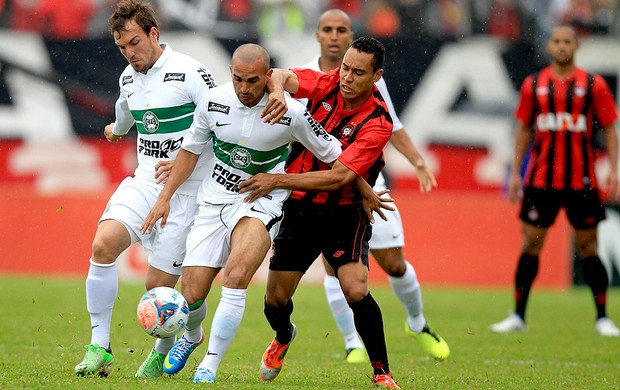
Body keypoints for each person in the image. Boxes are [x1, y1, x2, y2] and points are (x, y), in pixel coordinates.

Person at [139, 43, 348, 383]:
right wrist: (165, 197)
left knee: (236, 277)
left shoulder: (291, 112)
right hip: (213, 201)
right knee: (191, 296)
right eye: (238, 80)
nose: (245, 89)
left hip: (260, 202)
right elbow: (191, 152)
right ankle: (192, 337)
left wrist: (364, 190)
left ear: (268, 76)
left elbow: (337, 155)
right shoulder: (213, 101)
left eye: (253, 81)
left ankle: (210, 364)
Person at [239, 36, 401, 389]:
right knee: (275, 300)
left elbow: (341, 176)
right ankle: (284, 335)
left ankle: (382, 372)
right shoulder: (325, 82)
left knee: (355, 288)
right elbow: (277, 74)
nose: (347, 77)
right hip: (300, 210)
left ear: (376, 77)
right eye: (345, 67)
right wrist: (279, 92)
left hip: (345, 213)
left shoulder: (378, 121)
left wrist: (277, 180)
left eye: (359, 72)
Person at [74, 0, 217, 378]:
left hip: (187, 193)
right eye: (122, 47)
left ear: (154, 34)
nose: (130, 53)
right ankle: (99, 346)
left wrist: (189, 155)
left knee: (162, 291)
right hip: (145, 182)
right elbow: (126, 114)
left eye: (135, 43)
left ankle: (170, 344)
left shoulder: (191, 72)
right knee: (103, 245)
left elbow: (223, 123)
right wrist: (115, 131)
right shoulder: (127, 77)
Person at [301, 9, 449, 363]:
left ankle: (417, 323)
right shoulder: (305, 77)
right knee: (335, 266)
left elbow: (392, 126)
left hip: (370, 183)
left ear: (351, 36)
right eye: (327, 30)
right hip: (326, 182)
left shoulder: (371, 78)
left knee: (394, 263)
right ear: (318, 36)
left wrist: (416, 161)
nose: (334, 36)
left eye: (342, 30)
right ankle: (352, 342)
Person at [490, 25, 620, 337]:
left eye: (567, 42)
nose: (562, 46)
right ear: (550, 46)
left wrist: (614, 170)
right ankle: (518, 315)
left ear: (576, 46)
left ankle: (602, 317)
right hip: (540, 180)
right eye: (557, 41)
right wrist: (515, 174)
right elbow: (522, 129)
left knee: (589, 247)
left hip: (582, 180)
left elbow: (610, 128)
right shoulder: (534, 84)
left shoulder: (593, 84)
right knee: (531, 245)